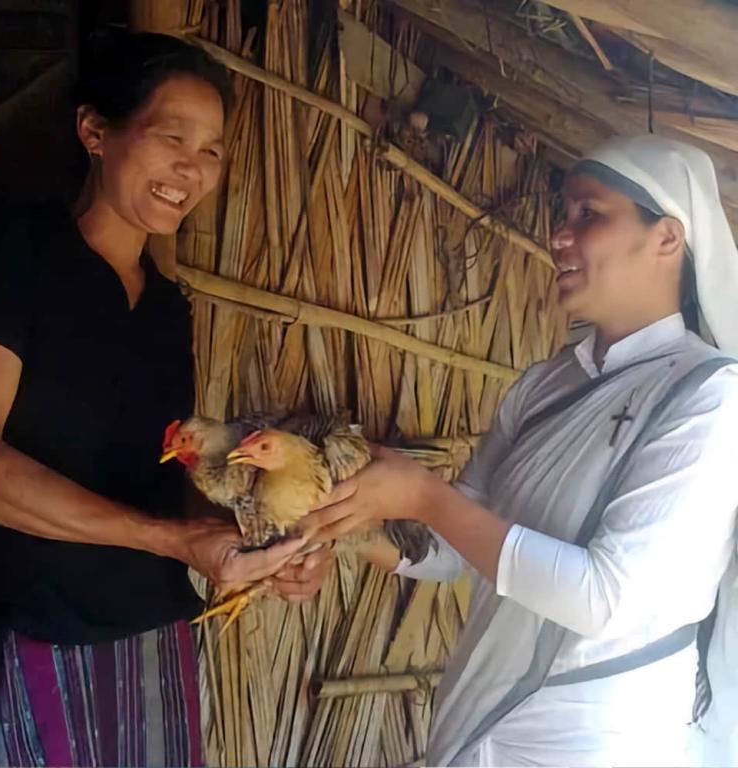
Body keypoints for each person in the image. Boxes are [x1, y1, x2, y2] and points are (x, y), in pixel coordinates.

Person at [306, 135, 738, 766]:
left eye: (589, 215)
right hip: (474, 721)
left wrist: (424, 496)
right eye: (563, 216)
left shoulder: (708, 396)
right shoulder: (546, 383)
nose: (559, 236)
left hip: (594, 742)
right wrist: (343, 533)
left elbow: (603, 599)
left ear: (667, 238)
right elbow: (457, 549)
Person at [0, 32, 331, 767]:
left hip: (148, 635)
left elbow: (167, 480)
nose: (191, 170)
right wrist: (170, 539)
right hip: (30, 630)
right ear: (95, 131)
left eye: (212, 151)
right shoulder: (15, 256)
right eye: (172, 137)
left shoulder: (168, 309)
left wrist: (253, 548)